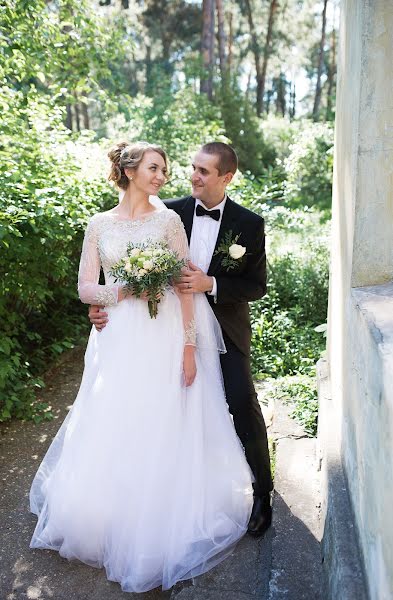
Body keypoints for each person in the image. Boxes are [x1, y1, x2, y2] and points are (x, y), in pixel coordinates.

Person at [29, 141, 254, 594]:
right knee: (115, 418)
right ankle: (116, 513)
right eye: (155, 168)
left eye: (166, 170)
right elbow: (87, 289)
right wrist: (125, 292)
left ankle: (159, 516)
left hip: (165, 334)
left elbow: (184, 288)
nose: (163, 176)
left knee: (161, 419)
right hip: (117, 338)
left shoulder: (169, 221)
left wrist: (189, 349)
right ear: (130, 170)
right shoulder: (99, 225)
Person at [89, 142, 273, 538]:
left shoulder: (249, 224)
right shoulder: (168, 212)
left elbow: (256, 285)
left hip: (223, 325)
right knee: (175, 408)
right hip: (168, 326)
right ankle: (179, 489)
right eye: (192, 168)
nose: (193, 176)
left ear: (226, 178)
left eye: (204, 172)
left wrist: (211, 283)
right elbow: (116, 269)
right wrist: (100, 304)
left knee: (240, 399)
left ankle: (262, 492)